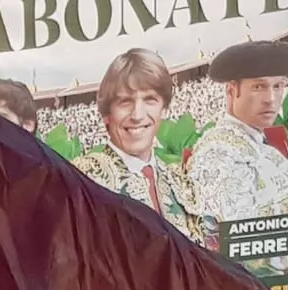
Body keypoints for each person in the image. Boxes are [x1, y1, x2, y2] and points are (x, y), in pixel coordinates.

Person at [187, 40, 288, 279]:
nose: (271, 98)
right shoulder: (217, 150)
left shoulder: (265, 149)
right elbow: (233, 241)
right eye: (259, 87)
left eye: (278, 86)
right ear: (232, 90)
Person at [70, 49, 211, 247]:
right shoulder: (81, 179)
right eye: (125, 102)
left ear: (163, 109)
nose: (137, 115)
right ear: (106, 114)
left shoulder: (179, 183)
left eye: (149, 100)